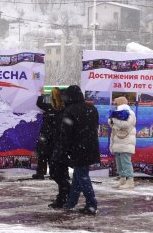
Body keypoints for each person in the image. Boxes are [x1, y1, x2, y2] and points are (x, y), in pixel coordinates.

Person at [61, 85, 100, 215]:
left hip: (78, 148)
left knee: (82, 176)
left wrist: (64, 150)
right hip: (91, 146)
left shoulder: (70, 110)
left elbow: (66, 133)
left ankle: (91, 204)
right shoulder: (92, 108)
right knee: (78, 176)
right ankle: (71, 202)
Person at [46, 88, 70, 209]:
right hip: (55, 145)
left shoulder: (63, 112)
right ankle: (64, 195)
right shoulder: (58, 111)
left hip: (59, 146)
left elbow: (62, 130)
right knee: (58, 173)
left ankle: (65, 194)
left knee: (57, 173)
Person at [108, 96, 136, 189]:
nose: (115, 105)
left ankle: (130, 181)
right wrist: (112, 119)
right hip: (118, 141)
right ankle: (123, 179)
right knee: (119, 162)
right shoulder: (118, 113)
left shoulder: (130, 113)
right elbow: (111, 124)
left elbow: (125, 124)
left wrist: (114, 119)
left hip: (126, 142)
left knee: (126, 162)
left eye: (116, 103)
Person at [33, 88, 58, 179]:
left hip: (46, 133)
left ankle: (41, 173)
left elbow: (39, 103)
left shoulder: (49, 105)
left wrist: (41, 94)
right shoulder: (62, 106)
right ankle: (53, 174)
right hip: (55, 134)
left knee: (43, 153)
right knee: (52, 155)